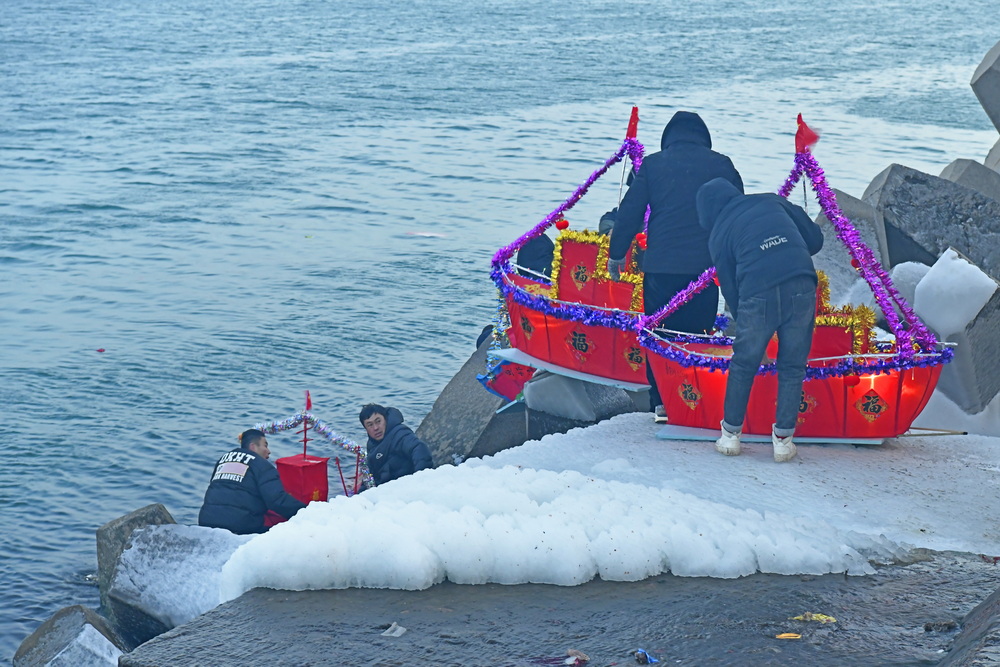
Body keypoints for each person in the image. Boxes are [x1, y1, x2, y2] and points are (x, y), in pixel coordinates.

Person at [606, 111, 744, 422]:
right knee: (698, 335)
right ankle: (694, 398)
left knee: (659, 335)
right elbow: (738, 211)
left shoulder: (654, 164)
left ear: (669, 137)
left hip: (661, 269)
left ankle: (661, 403)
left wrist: (616, 254)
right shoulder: (721, 164)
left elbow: (630, 212)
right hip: (705, 270)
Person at [695, 177, 824, 462]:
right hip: (801, 282)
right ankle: (782, 441)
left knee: (744, 363)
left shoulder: (719, 234)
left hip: (758, 291)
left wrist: (749, 333)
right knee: (792, 365)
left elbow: (729, 288)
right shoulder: (773, 200)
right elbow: (815, 239)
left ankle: (730, 437)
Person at [198, 429, 307, 534]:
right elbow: (277, 501)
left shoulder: (223, 460)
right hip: (239, 526)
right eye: (265, 445)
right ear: (253, 447)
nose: (269, 451)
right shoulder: (262, 466)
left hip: (206, 521)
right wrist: (307, 512)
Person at [360, 404, 434, 485]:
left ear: (385, 419)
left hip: (406, 486)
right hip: (385, 489)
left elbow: (419, 448)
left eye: (378, 421)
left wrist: (419, 479)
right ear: (365, 428)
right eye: (370, 425)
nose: (375, 428)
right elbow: (371, 475)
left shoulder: (400, 434)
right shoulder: (371, 444)